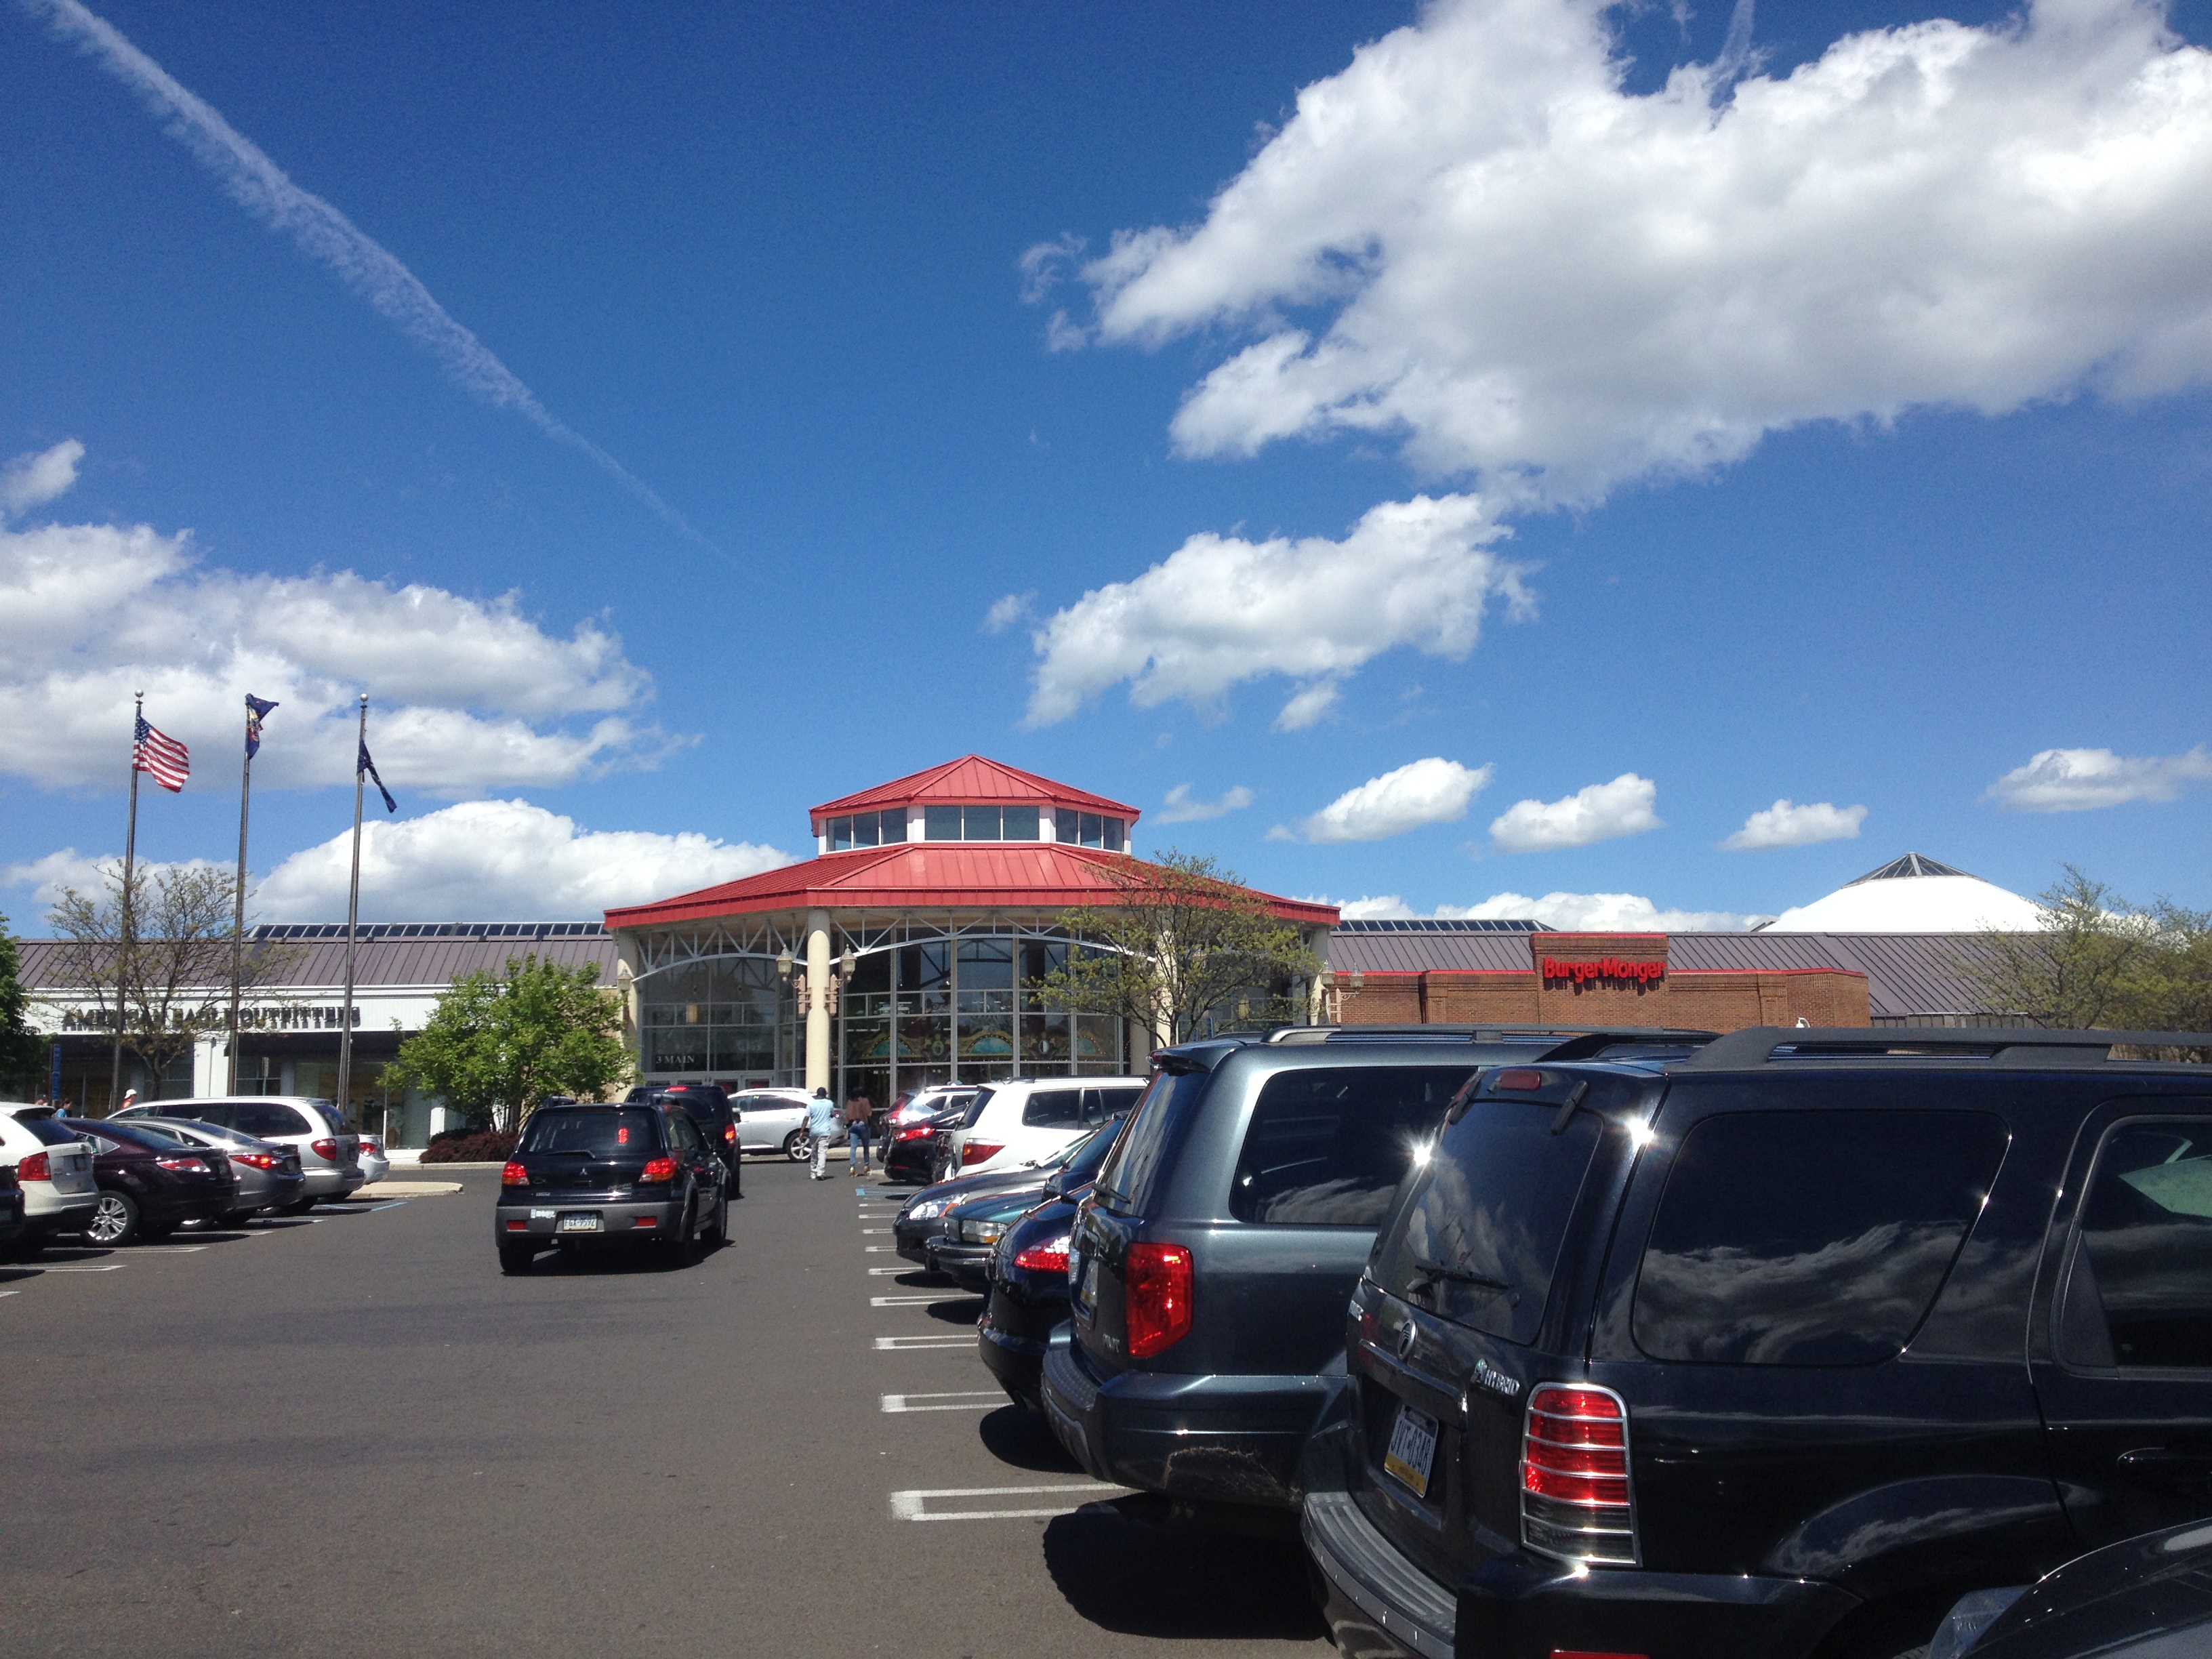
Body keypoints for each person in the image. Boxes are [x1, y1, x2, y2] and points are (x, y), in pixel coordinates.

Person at [805, 1086, 840, 1181]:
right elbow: (833, 1114)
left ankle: (813, 1173)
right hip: (825, 1131)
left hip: (814, 1131)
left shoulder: (811, 1105)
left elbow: (806, 1118)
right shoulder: (829, 1103)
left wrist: (802, 1131)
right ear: (825, 1095)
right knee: (822, 1152)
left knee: (814, 1152)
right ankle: (820, 1172)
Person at [843, 1088, 876, 1177]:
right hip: (863, 1125)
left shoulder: (850, 1102)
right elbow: (869, 1113)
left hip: (853, 1126)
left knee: (853, 1147)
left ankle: (852, 1167)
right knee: (866, 1146)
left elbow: (848, 1114)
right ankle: (866, 1165)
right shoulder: (865, 1101)